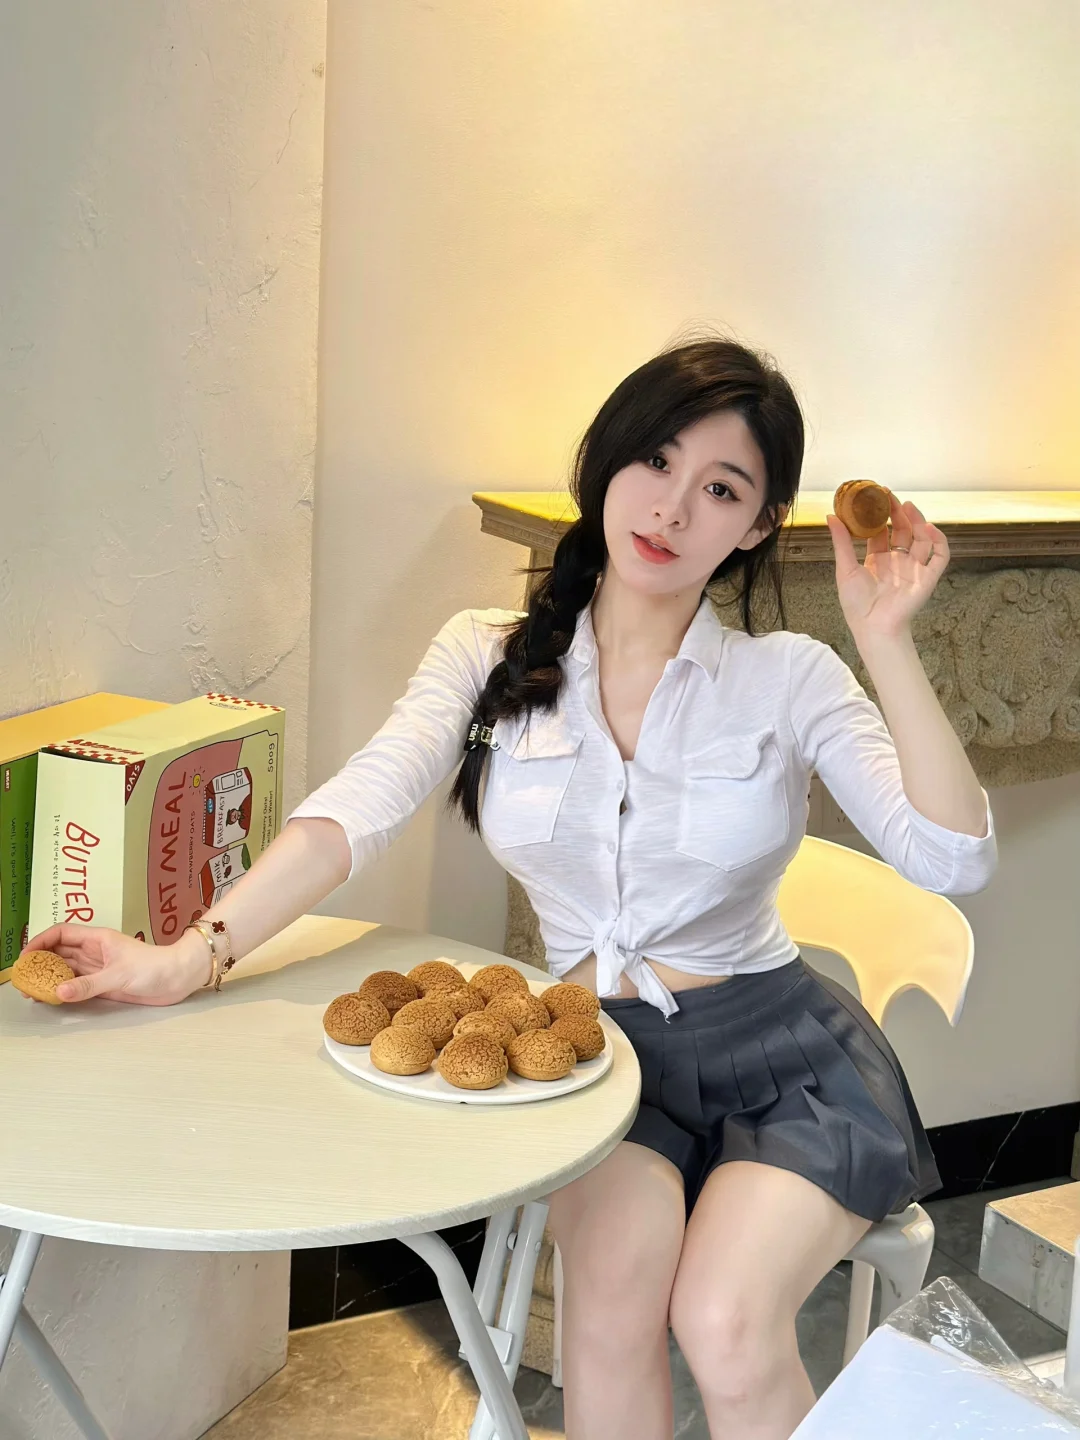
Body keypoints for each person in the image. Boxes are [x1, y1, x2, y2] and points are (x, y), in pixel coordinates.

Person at [24, 339, 996, 1438]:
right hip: (597, 1055)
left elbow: (952, 861)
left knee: (724, 1320)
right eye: (656, 461)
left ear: (759, 526)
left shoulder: (790, 680)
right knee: (607, 1314)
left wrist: (885, 641)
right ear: (609, 459)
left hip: (784, 1062)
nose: (672, 508)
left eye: (721, 489)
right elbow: (357, 811)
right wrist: (187, 957)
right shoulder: (485, 657)